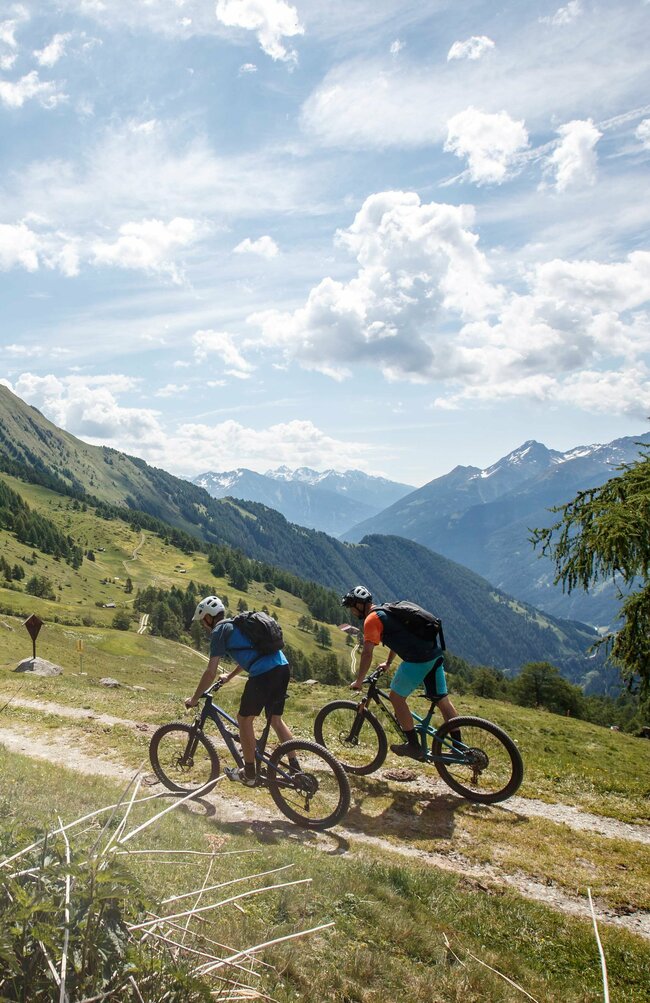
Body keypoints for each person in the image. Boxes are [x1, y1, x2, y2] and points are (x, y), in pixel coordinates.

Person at [185, 595, 298, 786]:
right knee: (276, 721)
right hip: (282, 667)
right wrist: (229, 676)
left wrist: (195, 698)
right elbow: (249, 655)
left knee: (244, 720)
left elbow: (210, 671)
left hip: (264, 674)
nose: (204, 626)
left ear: (208, 618)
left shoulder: (219, 631)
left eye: (203, 621)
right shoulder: (237, 624)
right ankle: (295, 768)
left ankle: (250, 774)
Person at [342, 585, 459, 760]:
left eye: (351, 606)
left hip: (418, 660)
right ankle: (459, 748)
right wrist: (388, 662)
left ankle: (413, 746)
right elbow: (399, 638)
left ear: (359, 605)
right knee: (442, 701)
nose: (351, 611)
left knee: (396, 698)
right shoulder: (386, 610)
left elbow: (367, 653)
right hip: (434, 654)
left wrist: (359, 681)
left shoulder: (371, 620)